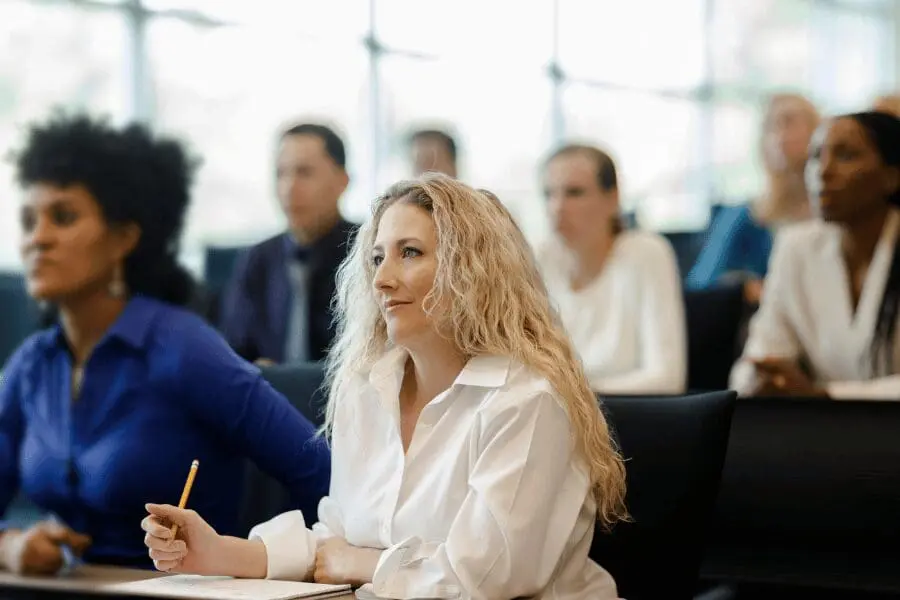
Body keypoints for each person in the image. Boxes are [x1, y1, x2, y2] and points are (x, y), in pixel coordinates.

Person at [140, 174, 629, 600]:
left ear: (473, 270)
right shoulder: (366, 388)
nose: (382, 279)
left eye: (409, 253)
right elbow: (336, 541)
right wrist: (218, 551)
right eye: (377, 258)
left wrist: (363, 563)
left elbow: (483, 579)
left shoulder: (527, 400)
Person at [0, 114, 331, 574]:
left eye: (63, 217)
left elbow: (320, 473)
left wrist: (284, 565)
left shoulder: (184, 348)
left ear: (123, 238)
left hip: (179, 592)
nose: (37, 239)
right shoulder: (31, 365)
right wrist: (11, 548)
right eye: (28, 221)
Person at [731, 111, 900, 399]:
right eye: (815, 156)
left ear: (891, 176)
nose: (822, 171)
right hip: (817, 424)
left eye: (845, 156)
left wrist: (823, 395)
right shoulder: (796, 247)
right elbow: (758, 358)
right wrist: (764, 378)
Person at [538, 144, 686, 395]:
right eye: (548, 194)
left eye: (575, 193)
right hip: (558, 412)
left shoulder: (646, 253)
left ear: (613, 198)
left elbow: (668, 378)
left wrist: (575, 396)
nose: (557, 207)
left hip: (629, 414)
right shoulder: (539, 257)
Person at [220, 123, 358, 365]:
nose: (289, 188)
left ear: (342, 181)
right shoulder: (257, 259)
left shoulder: (368, 252)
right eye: (281, 174)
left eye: (304, 173)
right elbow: (233, 350)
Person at [686, 93, 819, 301]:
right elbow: (701, 288)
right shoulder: (743, 217)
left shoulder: (834, 216)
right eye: (770, 127)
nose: (779, 136)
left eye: (789, 122)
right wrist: (746, 290)